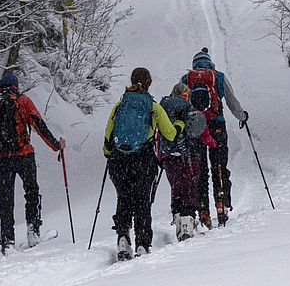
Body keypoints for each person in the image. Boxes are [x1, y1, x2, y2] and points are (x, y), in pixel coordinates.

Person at [0, 72, 65, 254]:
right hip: (24, 156)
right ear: (15, 86)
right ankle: (33, 231)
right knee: (31, 191)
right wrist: (56, 146)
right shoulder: (23, 101)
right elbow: (39, 125)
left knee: (5, 199)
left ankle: (7, 240)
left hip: (1, 158)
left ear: (0, 86)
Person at [103, 67, 177, 260]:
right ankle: (142, 244)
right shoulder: (152, 106)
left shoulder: (120, 105)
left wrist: (110, 153)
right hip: (143, 159)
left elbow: (108, 137)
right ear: (149, 83)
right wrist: (179, 126)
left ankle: (122, 237)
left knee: (124, 198)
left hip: (119, 160)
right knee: (142, 202)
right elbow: (169, 133)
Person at [182, 47, 248, 227]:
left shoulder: (186, 79)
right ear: (210, 62)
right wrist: (242, 116)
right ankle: (222, 203)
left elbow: (181, 105)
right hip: (217, 125)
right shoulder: (218, 77)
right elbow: (232, 101)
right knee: (219, 165)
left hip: (195, 128)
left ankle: (202, 208)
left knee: (200, 170)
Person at [158, 83, 217, 241]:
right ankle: (187, 223)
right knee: (190, 189)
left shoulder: (163, 110)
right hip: (189, 155)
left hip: (169, 156)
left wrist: (161, 156)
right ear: (186, 95)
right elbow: (203, 132)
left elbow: (159, 135)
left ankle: (179, 222)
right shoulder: (190, 110)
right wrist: (213, 143)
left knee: (176, 188)